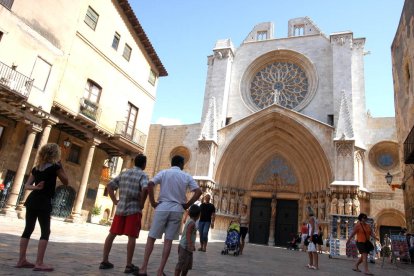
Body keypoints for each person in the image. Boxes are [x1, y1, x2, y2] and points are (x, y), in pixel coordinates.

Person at [136, 155, 202, 276]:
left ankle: (143, 268)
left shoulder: (164, 172)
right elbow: (198, 191)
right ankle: (160, 271)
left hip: (162, 207)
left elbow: (150, 184)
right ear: (182, 164)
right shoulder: (186, 176)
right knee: (168, 241)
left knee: (151, 238)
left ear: (172, 163)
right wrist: (187, 205)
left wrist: (152, 202)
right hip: (177, 209)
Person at [16, 143, 68, 272]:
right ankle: (39, 263)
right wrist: (61, 167)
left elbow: (27, 185)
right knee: (45, 231)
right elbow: (66, 182)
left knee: (28, 229)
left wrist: (36, 187)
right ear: (55, 154)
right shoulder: (56, 167)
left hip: (32, 200)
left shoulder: (36, 168)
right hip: (44, 202)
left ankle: (21, 260)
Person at [100, 154, 148, 274]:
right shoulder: (143, 175)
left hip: (120, 209)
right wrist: (142, 203)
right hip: (133, 209)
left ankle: (105, 260)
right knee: (132, 237)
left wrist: (115, 201)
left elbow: (110, 186)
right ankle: (128, 265)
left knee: (112, 234)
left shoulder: (124, 173)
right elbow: (145, 188)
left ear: (134, 162)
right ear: (144, 164)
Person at [175, 204, 201, 276]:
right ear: (198, 215)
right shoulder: (192, 223)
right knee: (181, 264)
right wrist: (190, 244)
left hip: (187, 247)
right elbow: (188, 233)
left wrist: (191, 245)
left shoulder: (190, 221)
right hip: (185, 247)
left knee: (186, 265)